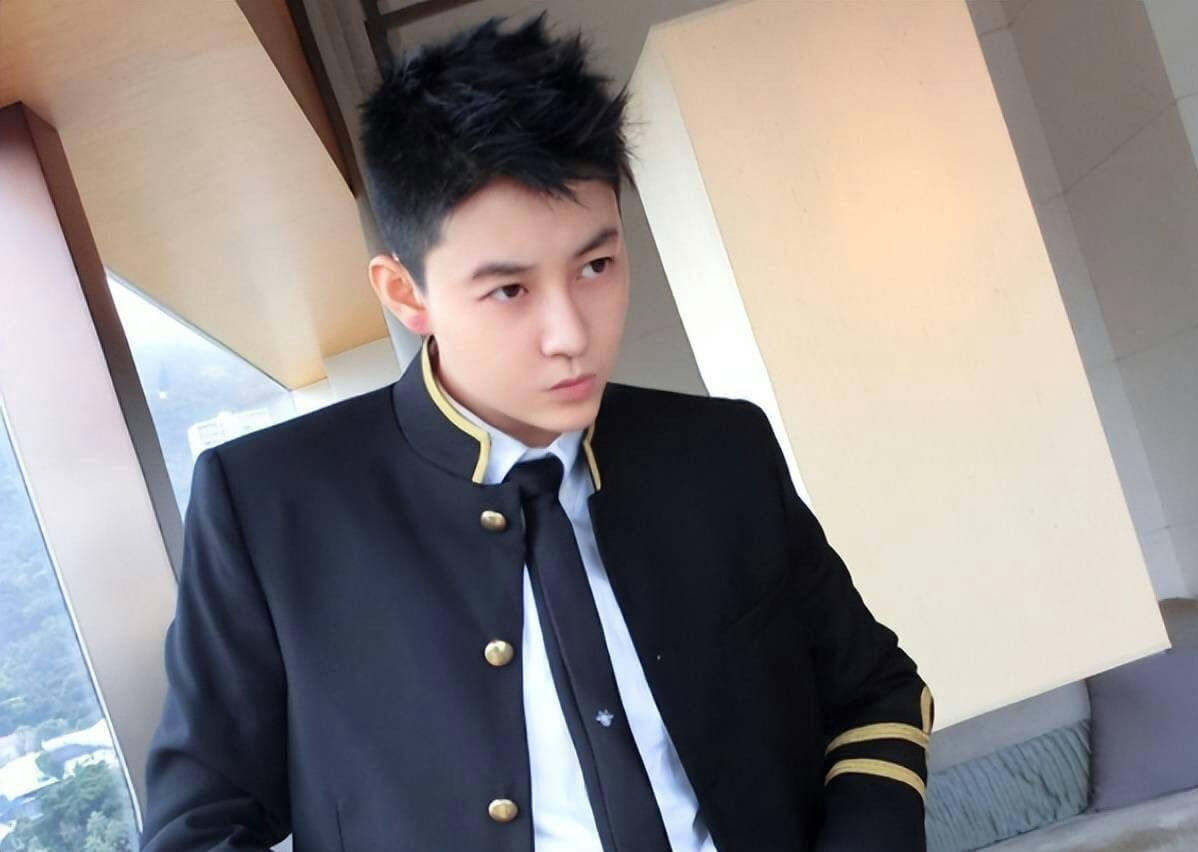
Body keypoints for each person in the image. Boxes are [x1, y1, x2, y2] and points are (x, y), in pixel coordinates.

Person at [139, 11, 933, 851]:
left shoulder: (720, 453)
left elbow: (875, 693)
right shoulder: (270, 506)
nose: (571, 333)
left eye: (596, 265)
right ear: (406, 293)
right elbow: (199, 825)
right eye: (510, 290)